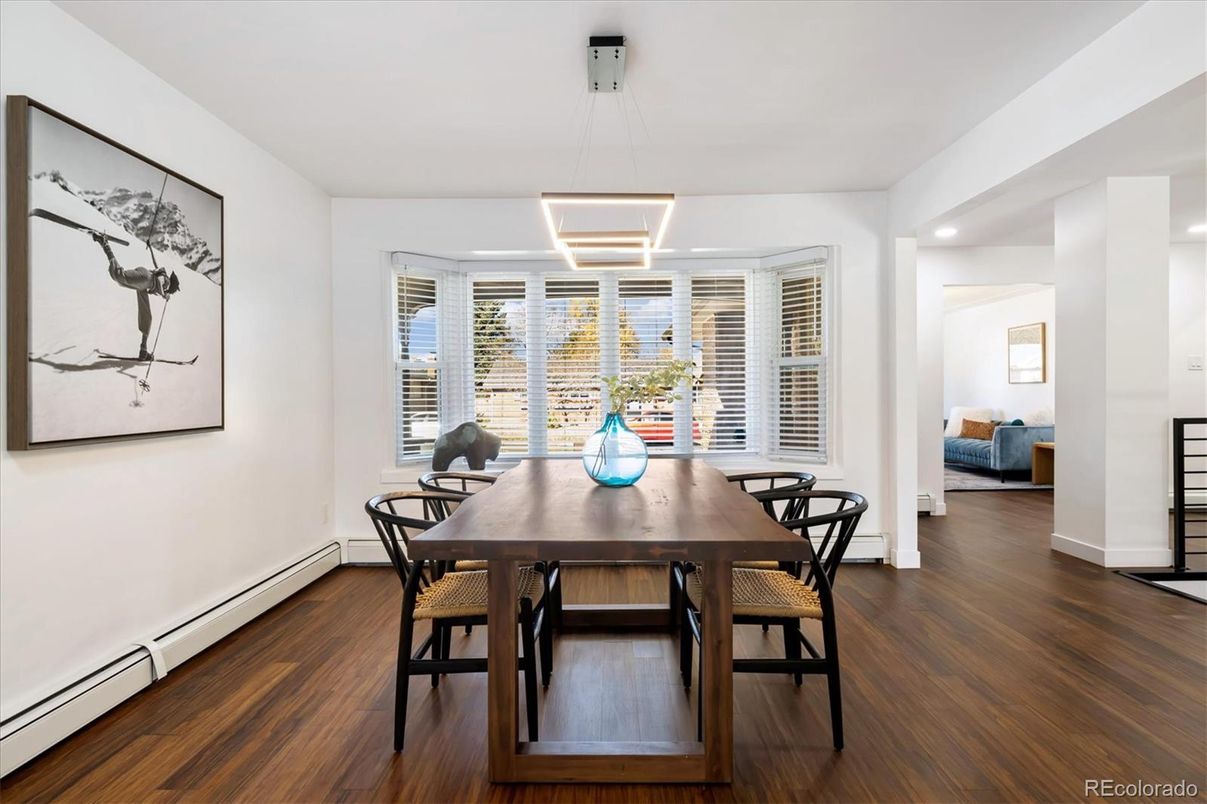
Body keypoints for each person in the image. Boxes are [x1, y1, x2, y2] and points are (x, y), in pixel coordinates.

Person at [91, 232, 179, 360]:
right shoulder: (166, 280)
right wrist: (164, 295)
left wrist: (150, 248)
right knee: (119, 276)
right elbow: (159, 282)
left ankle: (143, 350)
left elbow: (155, 263)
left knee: (147, 317)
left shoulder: (164, 275)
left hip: (144, 286)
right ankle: (104, 242)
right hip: (145, 278)